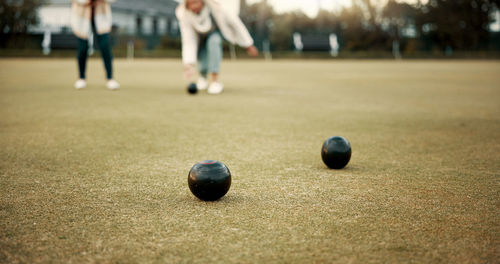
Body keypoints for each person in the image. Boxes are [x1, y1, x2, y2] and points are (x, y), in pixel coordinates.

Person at [176, 0, 258, 94]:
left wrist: (248, 44)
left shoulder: (217, 8)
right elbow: (189, 40)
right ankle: (202, 77)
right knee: (202, 56)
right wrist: (189, 64)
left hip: (215, 32)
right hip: (199, 37)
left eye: (196, 2)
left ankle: (215, 81)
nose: (194, 6)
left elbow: (236, 24)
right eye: (190, 4)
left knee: (214, 42)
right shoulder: (184, 15)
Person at [71, 0, 120, 90]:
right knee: (82, 48)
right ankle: (81, 78)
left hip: (102, 17)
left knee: (105, 46)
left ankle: (110, 78)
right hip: (81, 18)